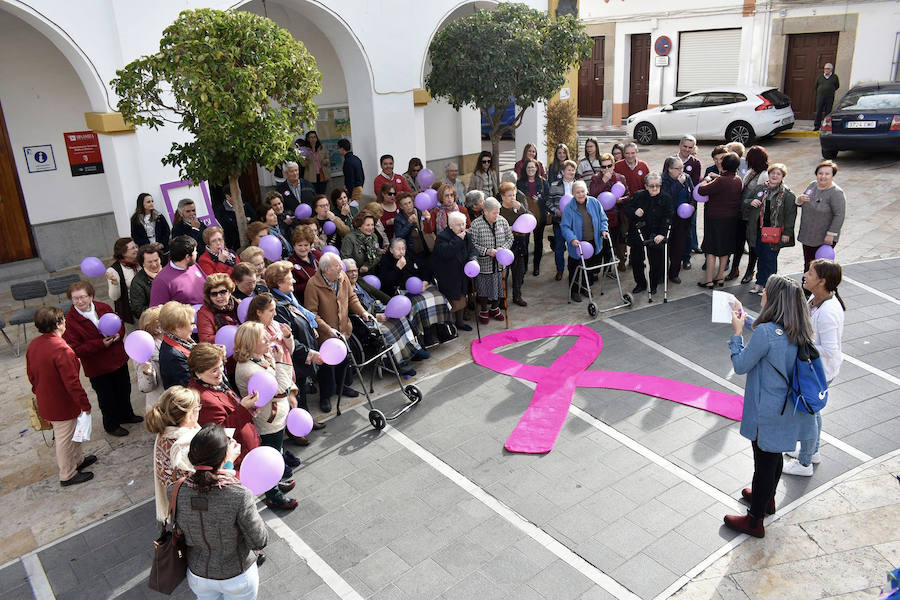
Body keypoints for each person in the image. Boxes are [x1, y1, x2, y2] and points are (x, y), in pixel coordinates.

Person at [724, 275, 817, 538]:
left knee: (763, 462)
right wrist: (745, 316)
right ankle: (768, 500)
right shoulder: (798, 328)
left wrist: (737, 334)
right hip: (786, 408)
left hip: (765, 409)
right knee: (773, 456)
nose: (762, 293)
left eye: (766, 290)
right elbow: (769, 337)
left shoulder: (767, 332)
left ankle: (754, 520)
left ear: (774, 299)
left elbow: (741, 365)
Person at [173, 424, 268, 599]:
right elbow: (259, 541)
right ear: (223, 456)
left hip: (197, 575)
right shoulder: (239, 495)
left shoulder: (175, 489)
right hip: (237, 577)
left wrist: (226, 460)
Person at [784, 259, 845, 476]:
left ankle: (805, 462)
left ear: (822, 281)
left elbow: (829, 349)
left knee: (808, 415)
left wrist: (801, 343)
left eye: (810, 273)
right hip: (816, 370)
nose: (805, 275)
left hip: (820, 373)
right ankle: (813, 452)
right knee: (814, 413)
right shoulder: (816, 299)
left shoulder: (828, 311)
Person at [26, 306, 96, 487]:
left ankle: (77, 460)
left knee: (73, 433)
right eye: (63, 319)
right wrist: (84, 403)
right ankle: (67, 474)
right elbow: (72, 382)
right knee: (64, 438)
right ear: (58, 324)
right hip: (62, 403)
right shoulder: (61, 350)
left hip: (47, 399)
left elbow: (30, 373)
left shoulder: (34, 344)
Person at [234, 320, 299, 510]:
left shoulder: (259, 357)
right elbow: (280, 390)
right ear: (251, 342)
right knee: (270, 456)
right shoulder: (248, 369)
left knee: (276, 451)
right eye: (262, 337)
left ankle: (275, 484)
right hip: (267, 421)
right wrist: (280, 363)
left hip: (275, 416)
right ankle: (273, 494)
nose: (268, 338)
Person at [63, 281, 140, 437]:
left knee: (124, 389)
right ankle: (111, 425)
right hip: (97, 366)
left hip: (117, 358)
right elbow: (75, 348)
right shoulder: (70, 321)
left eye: (83, 297)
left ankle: (126, 414)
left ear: (91, 296)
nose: (80, 301)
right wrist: (100, 344)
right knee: (106, 397)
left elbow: (118, 323)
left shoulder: (103, 307)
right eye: (75, 298)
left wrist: (119, 333)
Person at [304, 252, 369, 411]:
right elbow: (311, 314)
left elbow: (352, 298)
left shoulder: (342, 277)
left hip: (343, 330)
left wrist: (362, 312)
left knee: (344, 362)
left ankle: (344, 387)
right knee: (327, 368)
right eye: (337, 266)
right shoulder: (313, 285)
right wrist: (327, 329)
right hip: (327, 336)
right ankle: (325, 396)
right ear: (327, 270)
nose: (341, 268)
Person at [265, 262, 326, 427]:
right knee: (294, 395)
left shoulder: (289, 298)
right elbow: (286, 336)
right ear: (278, 283)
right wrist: (309, 353)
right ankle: (297, 429)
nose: (293, 281)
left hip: (300, 357)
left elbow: (299, 319)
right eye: (289, 278)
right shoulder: (278, 305)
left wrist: (309, 327)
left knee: (302, 393)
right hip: (292, 359)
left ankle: (305, 422)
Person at [344, 258, 426, 373]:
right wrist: (376, 315)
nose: (353, 274)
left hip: (377, 307)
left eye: (355, 271)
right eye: (350, 271)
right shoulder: (344, 290)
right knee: (389, 328)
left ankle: (413, 350)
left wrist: (392, 301)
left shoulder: (359, 281)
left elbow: (376, 293)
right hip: (367, 318)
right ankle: (399, 363)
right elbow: (352, 311)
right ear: (343, 273)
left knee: (401, 317)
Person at [189, 344, 261, 467]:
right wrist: (243, 409)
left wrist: (248, 408)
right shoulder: (203, 399)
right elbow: (220, 433)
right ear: (198, 373)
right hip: (239, 459)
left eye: (221, 366)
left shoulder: (212, 383)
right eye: (214, 370)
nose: (220, 372)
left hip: (247, 450)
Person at [145, 385, 200, 521]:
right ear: (188, 415)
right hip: (195, 511)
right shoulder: (187, 444)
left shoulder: (163, 433)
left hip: (176, 505)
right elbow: (206, 480)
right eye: (197, 408)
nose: (199, 411)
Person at [743, 164, 797, 294]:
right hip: (759, 230)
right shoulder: (760, 188)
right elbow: (745, 201)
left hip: (774, 232)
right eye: (772, 173)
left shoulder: (788, 194)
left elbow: (791, 216)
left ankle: (770, 286)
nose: (774, 176)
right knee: (760, 257)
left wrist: (787, 233)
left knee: (770, 259)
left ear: (783, 177)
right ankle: (759, 283)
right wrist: (750, 202)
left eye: (778, 174)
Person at [697, 152, 743, 288]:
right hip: (731, 219)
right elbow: (724, 182)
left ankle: (709, 280)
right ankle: (720, 277)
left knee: (711, 250)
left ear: (723, 165)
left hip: (716, 219)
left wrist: (706, 179)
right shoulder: (738, 179)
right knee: (725, 250)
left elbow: (701, 190)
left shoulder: (721, 181)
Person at [561, 180, 609, 303]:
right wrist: (571, 238)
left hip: (593, 242)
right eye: (577, 192)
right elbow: (565, 226)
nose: (581, 194)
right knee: (575, 268)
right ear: (573, 194)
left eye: (582, 191)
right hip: (577, 244)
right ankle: (574, 291)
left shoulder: (594, 202)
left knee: (589, 266)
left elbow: (603, 218)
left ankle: (585, 287)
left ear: (586, 191)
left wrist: (604, 230)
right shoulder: (569, 208)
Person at [796, 160, 845, 274]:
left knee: (820, 268)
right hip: (808, 234)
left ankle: (823, 289)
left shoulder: (836, 193)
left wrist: (831, 234)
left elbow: (839, 215)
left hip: (824, 238)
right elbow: (802, 199)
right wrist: (799, 200)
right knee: (808, 263)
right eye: (820, 173)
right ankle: (807, 289)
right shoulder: (812, 185)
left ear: (832, 176)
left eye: (827, 174)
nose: (823, 176)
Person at [728, 145, 768, 284]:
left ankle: (750, 271)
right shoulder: (751, 171)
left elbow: (763, 197)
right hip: (742, 213)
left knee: (752, 245)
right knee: (738, 243)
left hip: (754, 217)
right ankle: (735, 269)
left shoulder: (765, 175)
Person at [627, 173, 672, 296]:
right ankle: (640, 284)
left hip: (656, 234)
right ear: (646, 186)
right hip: (639, 234)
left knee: (656, 262)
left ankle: (653, 285)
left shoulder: (666, 198)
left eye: (658, 185)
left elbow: (668, 217)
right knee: (637, 261)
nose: (655, 188)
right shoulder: (638, 196)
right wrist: (635, 212)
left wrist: (662, 234)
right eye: (651, 186)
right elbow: (627, 209)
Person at [470, 197, 513, 324]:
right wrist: (487, 251)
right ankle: (483, 310)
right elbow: (472, 244)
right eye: (495, 213)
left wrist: (503, 249)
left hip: (500, 263)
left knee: (499, 287)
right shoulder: (476, 224)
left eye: (498, 212)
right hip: (484, 264)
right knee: (483, 288)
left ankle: (495, 308)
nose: (497, 215)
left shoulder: (502, 221)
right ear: (486, 212)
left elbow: (510, 238)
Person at [432, 211, 477, 331]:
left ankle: (460, 322)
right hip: (448, 274)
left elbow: (473, 250)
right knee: (454, 299)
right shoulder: (442, 237)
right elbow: (446, 253)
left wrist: (473, 260)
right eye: (458, 225)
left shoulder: (466, 235)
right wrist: (457, 239)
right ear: (450, 225)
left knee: (462, 296)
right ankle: (449, 326)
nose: (462, 227)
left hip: (463, 273)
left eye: (463, 224)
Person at [588, 153, 628, 272]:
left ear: (613, 165)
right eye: (603, 167)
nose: (606, 169)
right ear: (600, 167)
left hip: (617, 216)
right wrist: (603, 181)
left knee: (616, 242)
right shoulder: (595, 178)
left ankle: (612, 267)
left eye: (609, 166)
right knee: (602, 244)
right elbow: (592, 195)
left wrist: (621, 200)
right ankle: (598, 269)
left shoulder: (621, 178)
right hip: (601, 217)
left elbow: (628, 195)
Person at [660, 157, 694, 284]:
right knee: (664, 248)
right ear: (669, 169)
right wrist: (678, 184)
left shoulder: (687, 177)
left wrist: (692, 205)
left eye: (682, 167)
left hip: (683, 219)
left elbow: (692, 194)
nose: (681, 171)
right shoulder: (663, 179)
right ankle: (661, 275)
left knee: (679, 247)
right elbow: (666, 198)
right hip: (668, 219)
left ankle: (674, 273)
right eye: (677, 168)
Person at [498, 181, 531, 307]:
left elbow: (530, 218)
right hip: (505, 244)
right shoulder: (499, 210)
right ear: (502, 196)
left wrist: (521, 209)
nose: (512, 198)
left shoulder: (519, 207)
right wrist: (510, 229)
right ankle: (502, 298)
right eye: (509, 195)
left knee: (519, 272)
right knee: (504, 274)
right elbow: (497, 227)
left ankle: (517, 296)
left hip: (519, 242)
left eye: (514, 195)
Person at [149, 235, 206, 306]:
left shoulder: (194, 266)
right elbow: (156, 311)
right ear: (187, 257)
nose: (197, 253)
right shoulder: (161, 280)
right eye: (195, 251)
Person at [517, 158, 551, 277]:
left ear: (537, 169)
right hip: (524, 216)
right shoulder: (519, 183)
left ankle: (536, 266)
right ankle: (525, 266)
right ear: (525, 169)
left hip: (539, 215)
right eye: (528, 167)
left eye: (533, 167)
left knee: (538, 241)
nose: (531, 169)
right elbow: (517, 200)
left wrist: (540, 200)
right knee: (524, 242)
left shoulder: (543, 182)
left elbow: (548, 198)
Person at [547, 160, 578, 281]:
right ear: (562, 172)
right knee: (559, 247)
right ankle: (560, 270)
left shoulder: (579, 185)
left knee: (574, 246)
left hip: (575, 223)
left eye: (573, 170)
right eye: (568, 170)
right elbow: (548, 202)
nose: (571, 172)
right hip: (559, 222)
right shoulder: (554, 185)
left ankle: (574, 269)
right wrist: (556, 211)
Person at [673, 135, 703, 260]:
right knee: (675, 229)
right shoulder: (671, 160)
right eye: (685, 146)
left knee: (690, 227)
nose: (686, 149)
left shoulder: (696, 163)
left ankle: (690, 251)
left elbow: (695, 186)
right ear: (680, 145)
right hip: (674, 201)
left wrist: (693, 204)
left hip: (689, 203)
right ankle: (674, 255)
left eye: (690, 147)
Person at [159, 301, 196, 390]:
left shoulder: (183, 341)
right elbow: (190, 384)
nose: (194, 327)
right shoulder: (173, 355)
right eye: (191, 324)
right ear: (178, 327)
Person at [394, 191, 432, 276]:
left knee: (426, 271)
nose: (408, 206)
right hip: (411, 251)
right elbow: (399, 236)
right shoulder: (398, 219)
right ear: (401, 206)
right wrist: (409, 223)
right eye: (405, 204)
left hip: (423, 247)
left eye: (409, 203)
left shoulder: (419, 211)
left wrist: (428, 219)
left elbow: (426, 229)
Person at [105, 237, 140, 325]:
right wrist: (115, 283)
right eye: (132, 248)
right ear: (123, 252)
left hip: (148, 307)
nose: (136, 249)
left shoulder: (141, 262)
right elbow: (114, 297)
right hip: (131, 312)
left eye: (136, 246)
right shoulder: (114, 270)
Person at [196, 273, 239, 343]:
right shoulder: (204, 313)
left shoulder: (237, 304)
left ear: (230, 292)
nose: (219, 296)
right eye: (214, 294)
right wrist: (235, 333)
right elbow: (205, 340)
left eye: (223, 292)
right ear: (209, 296)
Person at [136, 306, 165, 410]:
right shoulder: (144, 350)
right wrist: (148, 373)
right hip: (160, 406)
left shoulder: (171, 341)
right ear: (157, 328)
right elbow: (145, 387)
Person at [214, 185, 258, 252]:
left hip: (249, 239)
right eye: (236, 195)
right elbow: (228, 226)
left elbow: (254, 217)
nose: (239, 196)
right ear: (227, 197)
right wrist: (246, 220)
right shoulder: (221, 210)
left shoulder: (245, 204)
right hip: (233, 244)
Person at [286, 227, 322, 300]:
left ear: (310, 245)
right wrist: (312, 283)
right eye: (300, 245)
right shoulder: (290, 264)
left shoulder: (317, 255)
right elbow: (294, 288)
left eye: (306, 245)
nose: (303, 248)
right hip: (306, 300)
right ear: (294, 246)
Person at [130, 243, 165, 319]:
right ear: (143, 263)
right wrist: (161, 310)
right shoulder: (138, 282)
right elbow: (138, 310)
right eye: (150, 262)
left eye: (156, 260)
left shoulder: (168, 272)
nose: (154, 264)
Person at [813, 63, 840, 131]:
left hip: (829, 97)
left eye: (828, 69)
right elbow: (816, 86)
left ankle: (826, 126)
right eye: (825, 68)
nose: (826, 70)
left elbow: (837, 86)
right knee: (819, 111)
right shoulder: (820, 77)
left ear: (831, 69)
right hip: (820, 97)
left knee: (828, 112)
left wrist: (830, 90)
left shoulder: (834, 77)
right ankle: (817, 126)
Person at [338, 139, 364, 205]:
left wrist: (349, 195)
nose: (338, 150)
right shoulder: (356, 158)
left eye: (338, 148)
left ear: (342, 148)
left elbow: (350, 180)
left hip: (353, 190)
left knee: (353, 209)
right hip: (359, 187)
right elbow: (362, 176)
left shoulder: (348, 162)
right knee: (355, 206)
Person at [302, 130, 330, 194]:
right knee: (313, 194)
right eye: (311, 137)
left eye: (314, 137)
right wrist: (308, 158)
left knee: (322, 193)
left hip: (322, 174)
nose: (313, 139)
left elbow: (327, 158)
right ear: (308, 139)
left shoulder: (322, 147)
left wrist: (326, 161)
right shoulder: (305, 149)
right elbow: (303, 164)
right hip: (311, 176)